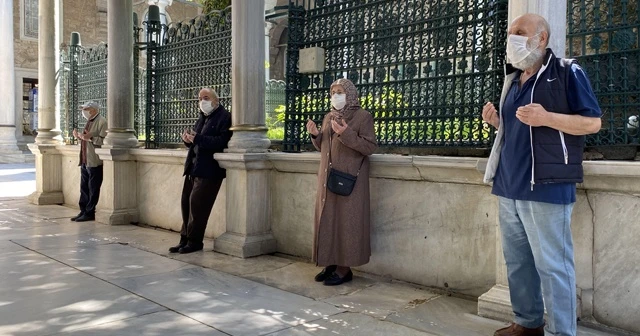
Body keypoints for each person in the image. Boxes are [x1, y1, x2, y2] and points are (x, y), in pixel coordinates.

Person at [482, 14, 602, 336]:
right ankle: (527, 323)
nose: (513, 38)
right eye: (510, 33)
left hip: (546, 187)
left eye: (520, 32)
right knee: (518, 264)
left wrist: (548, 117)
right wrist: (497, 122)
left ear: (542, 38)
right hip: (509, 185)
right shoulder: (514, 79)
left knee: (553, 268)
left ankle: (561, 332)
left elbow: (592, 123)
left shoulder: (567, 72)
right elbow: (519, 130)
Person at [305, 78, 378, 286]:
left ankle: (344, 268)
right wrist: (315, 135)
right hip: (328, 179)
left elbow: (370, 147)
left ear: (350, 94)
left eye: (340, 91)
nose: (335, 95)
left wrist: (346, 133)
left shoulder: (363, 117)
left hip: (350, 180)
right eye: (333, 92)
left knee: (347, 223)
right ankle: (330, 263)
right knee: (329, 220)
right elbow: (325, 147)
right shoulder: (329, 116)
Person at [168, 88, 232, 254]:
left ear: (215, 100)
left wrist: (197, 138)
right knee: (186, 204)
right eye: (200, 98)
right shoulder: (202, 117)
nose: (202, 101)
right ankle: (184, 239)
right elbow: (197, 141)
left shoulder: (224, 117)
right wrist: (188, 141)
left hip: (209, 170)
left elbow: (221, 142)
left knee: (198, 207)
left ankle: (195, 242)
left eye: (206, 97)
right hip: (193, 168)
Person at [71, 101, 108, 222]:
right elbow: (86, 138)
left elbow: (104, 141)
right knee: (84, 188)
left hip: (94, 161)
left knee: (93, 188)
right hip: (85, 160)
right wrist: (80, 136)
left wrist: (90, 138)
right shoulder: (89, 121)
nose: (84, 112)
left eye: (86, 109)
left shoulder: (102, 122)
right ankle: (83, 211)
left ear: (93, 110)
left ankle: (90, 212)